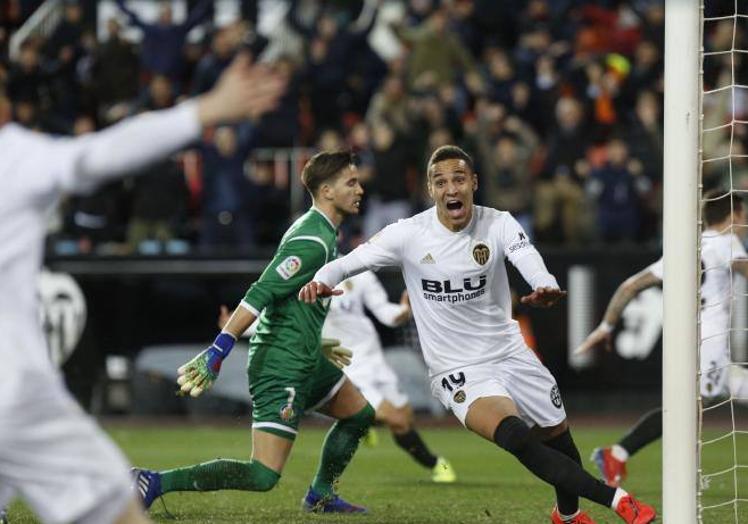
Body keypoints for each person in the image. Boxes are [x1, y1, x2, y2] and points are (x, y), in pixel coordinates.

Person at [299, 145, 657, 524]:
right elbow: (348, 263)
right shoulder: (408, 234)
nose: (450, 188)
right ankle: (616, 500)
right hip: (458, 369)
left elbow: (526, 256)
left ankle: (567, 517)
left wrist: (545, 284)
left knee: (559, 439)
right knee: (517, 437)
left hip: (510, 353)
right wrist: (320, 281)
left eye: (458, 179)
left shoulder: (498, 223)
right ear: (430, 190)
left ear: (473, 182)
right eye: (440, 182)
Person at [0, 52, 284, 524]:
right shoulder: (12, 155)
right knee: (121, 513)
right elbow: (99, 154)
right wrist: (204, 111)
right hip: (12, 392)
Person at [132, 151, 375, 514]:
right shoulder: (311, 240)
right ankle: (154, 481)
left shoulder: (321, 230)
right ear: (326, 190)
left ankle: (320, 496)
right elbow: (260, 293)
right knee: (263, 475)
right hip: (282, 365)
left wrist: (315, 340)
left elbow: (287, 302)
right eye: (351, 183)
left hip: (304, 356)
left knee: (359, 414)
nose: (359, 189)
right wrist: (218, 350)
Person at [575, 190, 748, 488]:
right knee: (689, 408)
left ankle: (631, 457)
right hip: (710, 343)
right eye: (744, 217)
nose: (745, 223)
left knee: (695, 404)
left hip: (687, 340)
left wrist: (606, 326)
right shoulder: (727, 241)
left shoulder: (687, 248)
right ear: (734, 216)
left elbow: (631, 286)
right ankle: (620, 453)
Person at [322, 268, 457, 483]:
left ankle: (361, 423)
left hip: (373, 358)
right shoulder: (307, 276)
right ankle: (436, 463)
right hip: (346, 363)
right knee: (394, 418)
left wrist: (403, 311)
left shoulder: (358, 273)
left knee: (405, 419)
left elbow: (385, 312)